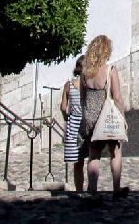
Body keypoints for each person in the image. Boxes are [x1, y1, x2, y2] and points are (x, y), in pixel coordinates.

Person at [79, 34, 128, 198]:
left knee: (94, 155)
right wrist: (122, 117)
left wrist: (85, 117)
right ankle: (116, 189)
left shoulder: (85, 72)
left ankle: (93, 191)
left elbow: (82, 97)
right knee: (115, 152)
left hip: (91, 117)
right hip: (107, 117)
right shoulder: (110, 70)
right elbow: (117, 97)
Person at [59, 55, 86, 192]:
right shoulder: (89, 84)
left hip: (73, 124)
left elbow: (63, 107)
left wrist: (67, 118)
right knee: (92, 158)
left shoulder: (68, 85)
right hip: (87, 123)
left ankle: (79, 190)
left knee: (77, 162)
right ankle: (92, 189)